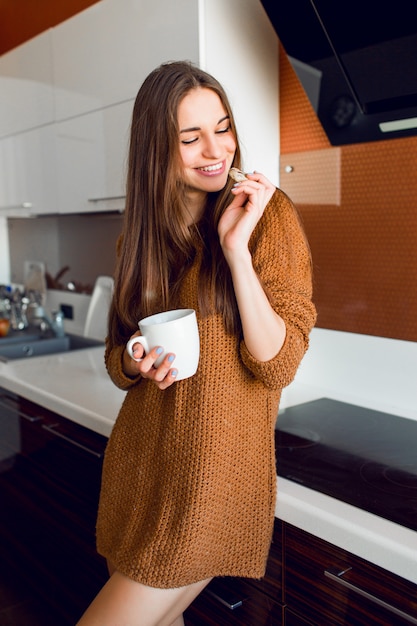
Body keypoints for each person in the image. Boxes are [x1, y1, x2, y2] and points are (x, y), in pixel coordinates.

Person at [76, 60, 316, 626]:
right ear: (156, 148)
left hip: (210, 482)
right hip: (140, 471)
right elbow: (116, 359)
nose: (217, 148)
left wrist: (236, 251)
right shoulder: (140, 238)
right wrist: (137, 361)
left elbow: (278, 363)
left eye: (223, 126)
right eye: (191, 137)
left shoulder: (266, 216)